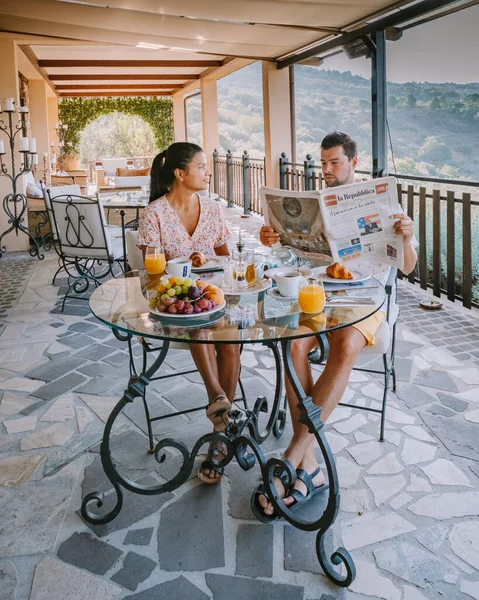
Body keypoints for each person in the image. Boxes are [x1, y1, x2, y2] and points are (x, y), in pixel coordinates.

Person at [256, 131, 417, 518]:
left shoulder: (382, 203)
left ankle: (296, 452)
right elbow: (291, 253)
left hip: (367, 298)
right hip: (321, 290)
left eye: (334, 163)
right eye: (323, 163)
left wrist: (406, 238)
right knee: (293, 344)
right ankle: (310, 463)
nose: (326, 170)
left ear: (353, 161)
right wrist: (272, 239)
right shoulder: (319, 203)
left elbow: (407, 267)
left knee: (344, 347)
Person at [137, 142, 240, 485]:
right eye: (201, 166)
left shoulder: (211, 209)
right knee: (200, 324)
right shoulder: (155, 213)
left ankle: (219, 423)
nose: (207, 172)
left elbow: (227, 260)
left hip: (214, 297)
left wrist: (211, 266)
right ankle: (218, 406)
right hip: (176, 304)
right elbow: (151, 275)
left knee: (232, 338)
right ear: (181, 174)